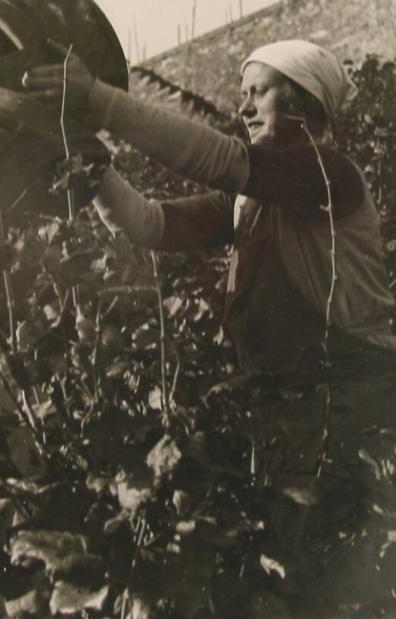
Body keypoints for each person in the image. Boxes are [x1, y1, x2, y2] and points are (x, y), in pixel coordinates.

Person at [23, 39, 396, 615]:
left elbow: (223, 159)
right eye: (242, 93)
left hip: (350, 393)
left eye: (259, 92)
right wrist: (92, 168)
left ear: (304, 104)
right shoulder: (253, 199)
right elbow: (152, 226)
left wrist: (100, 101)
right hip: (286, 402)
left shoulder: (327, 173)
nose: (243, 106)